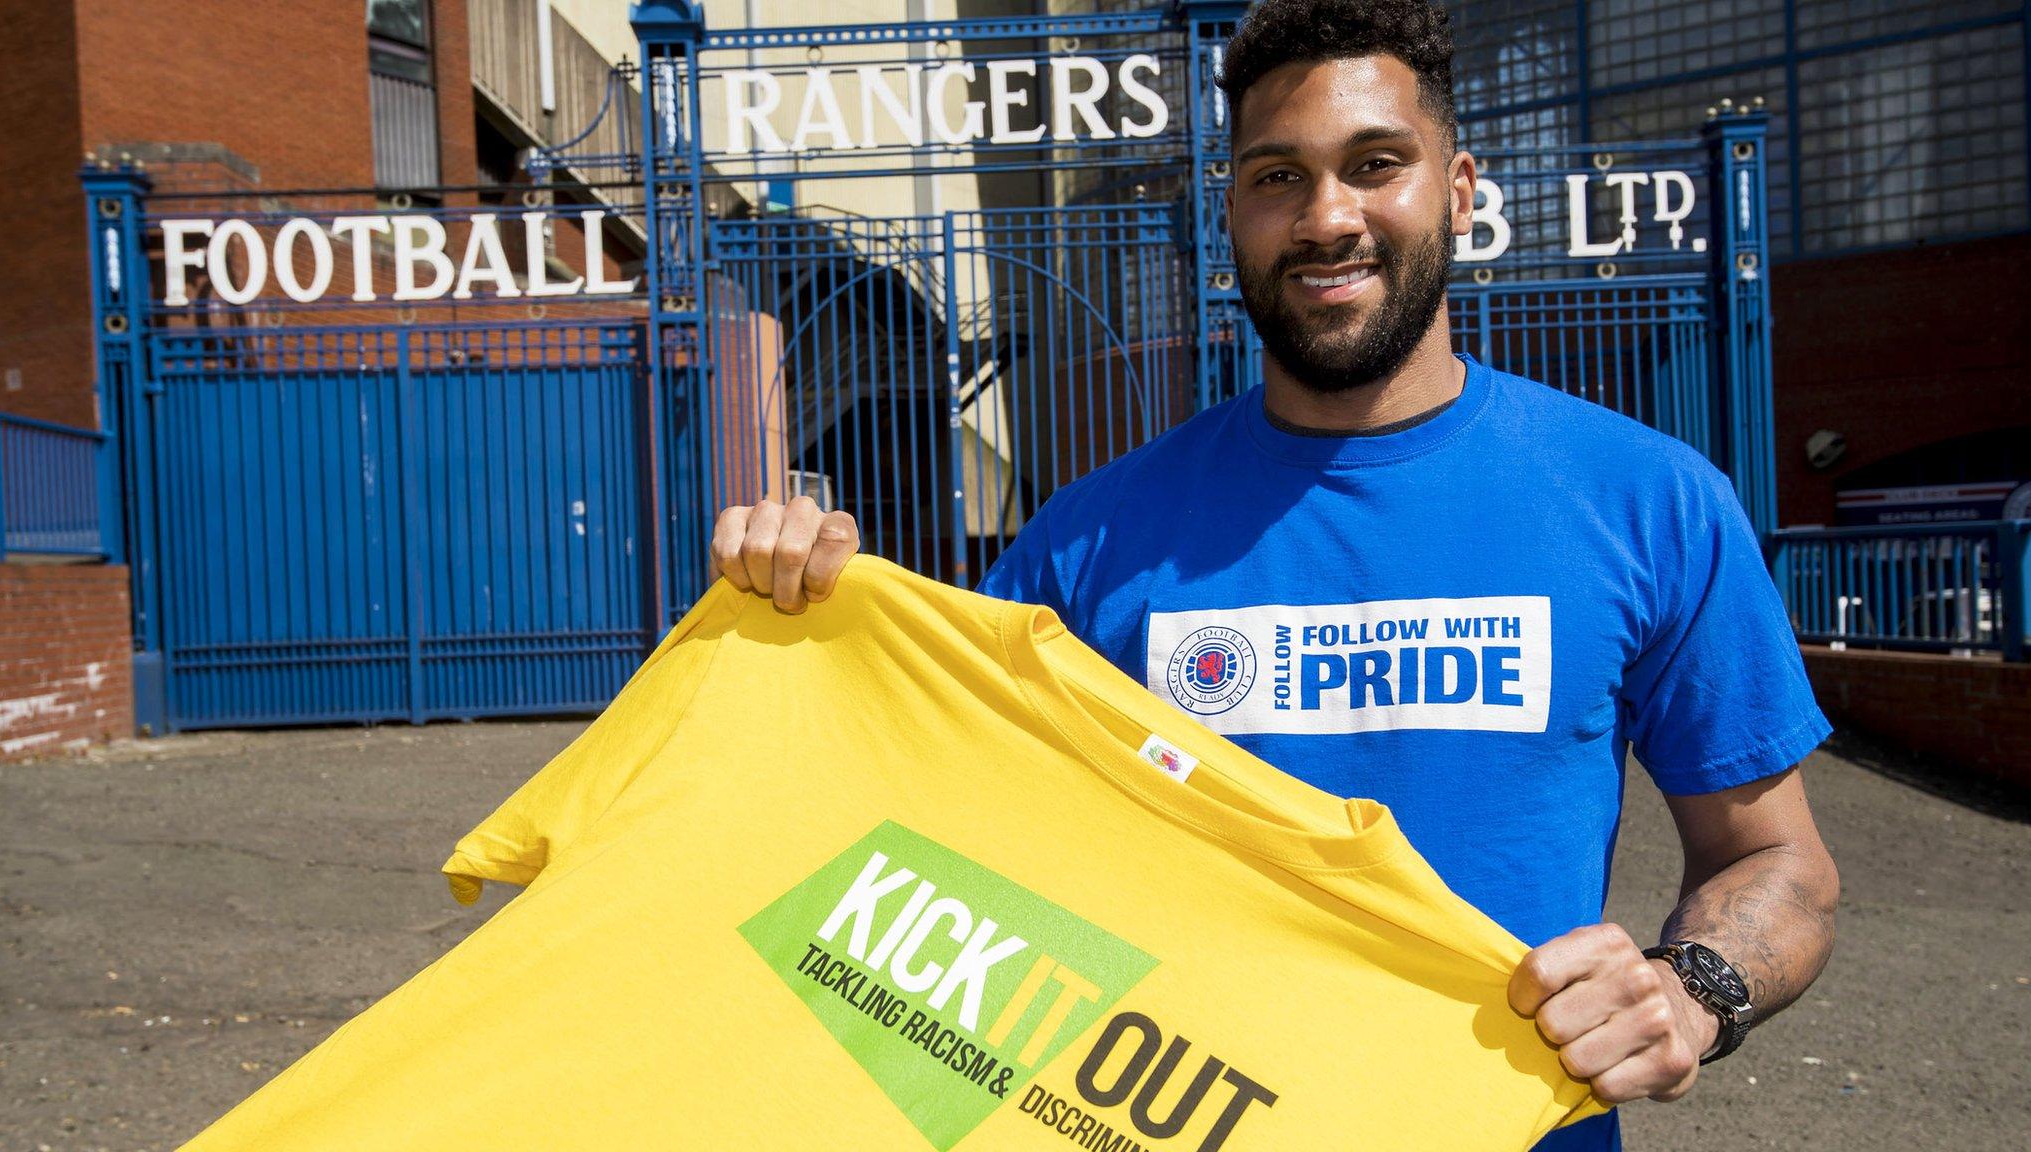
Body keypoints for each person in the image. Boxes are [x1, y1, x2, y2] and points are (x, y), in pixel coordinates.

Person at [708, 1, 1838, 1148]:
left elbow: (1776, 862)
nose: (1324, 216)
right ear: (1230, 215)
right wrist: (794, 634)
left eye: (1374, 164)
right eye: (1275, 177)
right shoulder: (1089, 544)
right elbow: (914, 863)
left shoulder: (1644, 501)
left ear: (1457, 190)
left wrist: (1693, 989)